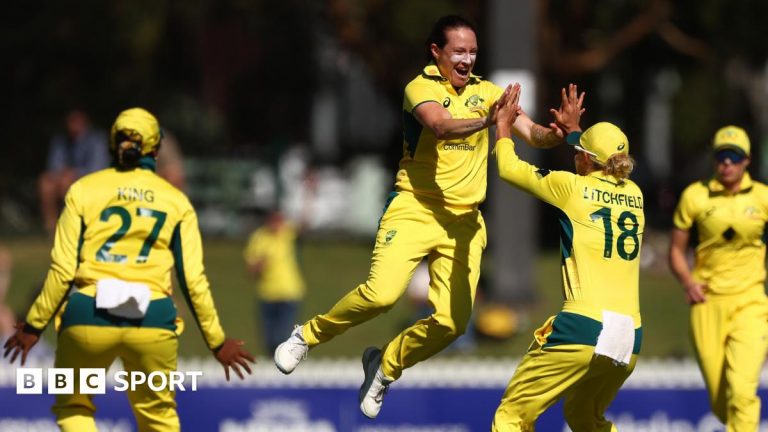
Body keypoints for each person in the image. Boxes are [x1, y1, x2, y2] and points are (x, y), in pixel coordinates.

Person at [274, 14, 577, 419]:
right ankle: (307, 336)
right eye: (458, 51)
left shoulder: (489, 92)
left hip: (464, 221)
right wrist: (491, 120)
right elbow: (441, 127)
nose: (467, 59)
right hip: (414, 208)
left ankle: (384, 367)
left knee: (453, 323)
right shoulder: (419, 88)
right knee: (381, 295)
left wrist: (559, 133)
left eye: (472, 51)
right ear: (437, 52)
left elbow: (531, 132)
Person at [4, 108, 254, 432]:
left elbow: (63, 271)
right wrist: (217, 342)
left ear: (111, 143)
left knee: (73, 407)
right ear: (156, 148)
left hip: (89, 313)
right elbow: (193, 281)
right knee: (159, 418)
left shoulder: (83, 190)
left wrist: (33, 327)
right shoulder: (177, 202)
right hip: (152, 316)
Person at [491, 86, 645, 431]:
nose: (575, 155)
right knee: (584, 418)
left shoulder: (570, 188)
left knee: (511, 416)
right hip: (629, 335)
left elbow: (508, 168)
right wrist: (573, 130)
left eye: (578, 152)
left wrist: (501, 127)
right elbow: (599, 159)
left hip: (584, 326)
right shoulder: (634, 193)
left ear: (586, 159)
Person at [668, 126, 768, 431]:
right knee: (721, 402)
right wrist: (688, 282)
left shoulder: (763, 197)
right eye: (722, 156)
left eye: (734, 157)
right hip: (707, 303)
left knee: (742, 391)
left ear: (747, 160)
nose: (727, 163)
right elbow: (676, 250)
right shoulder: (695, 196)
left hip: (750, 302)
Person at [244, 210, 306, 353]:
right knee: (269, 340)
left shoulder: (287, 233)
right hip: (267, 294)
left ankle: (286, 366)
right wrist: (259, 265)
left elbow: (304, 225)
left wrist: (309, 196)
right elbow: (250, 270)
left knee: (285, 338)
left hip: (290, 293)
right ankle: (274, 368)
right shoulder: (259, 238)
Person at [39, 109, 110, 234]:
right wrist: (62, 174)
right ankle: (51, 228)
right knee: (46, 183)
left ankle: (72, 226)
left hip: (91, 180)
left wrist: (75, 173)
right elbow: (54, 165)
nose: (73, 126)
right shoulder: (61, 141)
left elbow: (98, 167)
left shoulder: (96, 140)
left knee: (67, 183)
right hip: (63, 179)